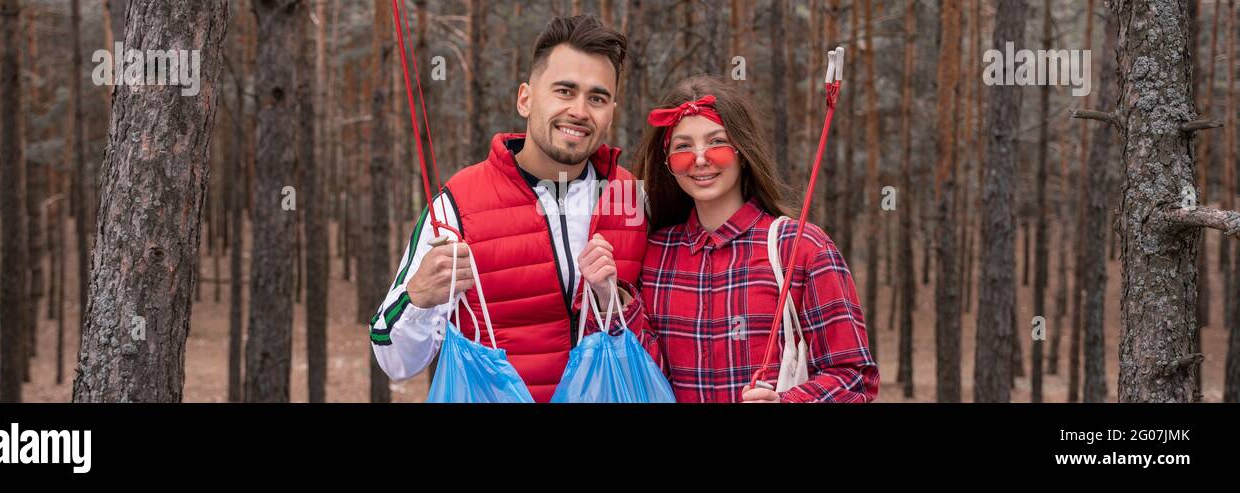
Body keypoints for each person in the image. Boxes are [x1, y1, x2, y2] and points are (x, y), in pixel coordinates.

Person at [369, 15, 648, 403]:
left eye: (596, 98)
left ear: (611, 113)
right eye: (564, 91)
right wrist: (417, 298)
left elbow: (665, 334)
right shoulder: (458, 204)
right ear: (525, 99)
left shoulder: (632, 198)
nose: (580, 111)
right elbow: (395, 360)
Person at [577, 75, 879, 403]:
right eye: (682, 147)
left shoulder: (801, 248)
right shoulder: (656, 253)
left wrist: (788, 401)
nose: (701, 158)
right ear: (668, 164)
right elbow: (644, 376)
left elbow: (855, 377)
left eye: (716, 142)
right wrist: (610, 301)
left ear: (742, 151)